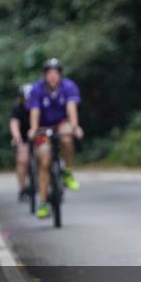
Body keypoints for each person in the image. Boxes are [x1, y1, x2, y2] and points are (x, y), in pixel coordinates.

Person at [27, 58, 84, 219]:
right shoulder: (37, 89)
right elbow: (35, 111)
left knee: (67, 136)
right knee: (44, 161)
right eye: (49, 73)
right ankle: (43, 202)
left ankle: (68, 171)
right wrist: (33, 129)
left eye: (55, 73)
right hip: (43, 127)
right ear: (45, 75)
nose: (52, 76)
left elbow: (71, 108)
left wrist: (75, 126)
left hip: (60, 123)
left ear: (60, 75)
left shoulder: (68, 86)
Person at [10, 84, 33, 202]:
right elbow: (14, 124)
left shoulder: (39, 107)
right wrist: (17, 137)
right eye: (26, 98)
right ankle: (22, 188)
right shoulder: (18, 109)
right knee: (22, 160)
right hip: (24, 138)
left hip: (39, 136)